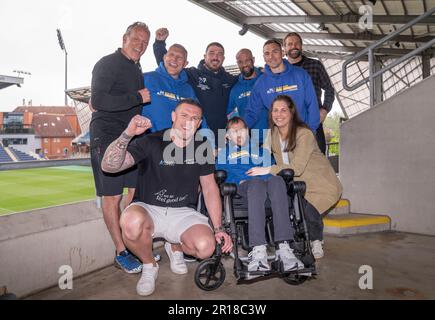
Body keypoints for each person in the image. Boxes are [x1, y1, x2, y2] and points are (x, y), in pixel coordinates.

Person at [101, 99, 233, 296]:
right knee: (131, 222)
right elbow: (109, 166)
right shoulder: (151, 140)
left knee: (206, 248)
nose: (189, 121)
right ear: (173, 117)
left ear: (199, 124)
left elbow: (209, 188)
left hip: (182, 212)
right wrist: (127, 134)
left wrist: (218, 228)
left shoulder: (202, 146)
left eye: (195, 118)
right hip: (148, 208)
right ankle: (149, 265)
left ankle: (175, 245)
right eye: (184, 116)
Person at [90, 22, 159, 274]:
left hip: (132, 138)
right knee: (113, 196)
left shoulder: (136, 67)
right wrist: (137, 98)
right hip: (107, 136)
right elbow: (97, 100)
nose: (140, 45)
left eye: (145, 42)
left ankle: (131, 245)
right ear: (124, 38)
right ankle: (121, 251)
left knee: (133, 192)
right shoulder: (107, 63)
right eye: (136, 39)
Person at [216, 117, 303, 273]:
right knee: (256, 184)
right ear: (227, 136)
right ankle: (258, 249)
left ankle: (283, 247)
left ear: (248, 131)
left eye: (242, 130)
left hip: (266, 186)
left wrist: (264, 177)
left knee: (277, 181)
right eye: (234, 131)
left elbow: (270, 171)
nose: (239, 134)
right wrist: (243, 180)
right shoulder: (223, 154)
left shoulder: (261, 151)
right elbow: (224, 176)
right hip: (242, 188)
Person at [259, 95, 342, 259]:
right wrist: (233, 142)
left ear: (291, 112)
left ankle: (316, 240)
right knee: (289, 201)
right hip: (296, 182)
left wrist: (268, 169)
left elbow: (296, 168)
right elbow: (258, 152)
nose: (279, 114)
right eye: (275, 110)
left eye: (283, 110)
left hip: (320, 184)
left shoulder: (304, 134)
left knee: (307, 208)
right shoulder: (272, 134)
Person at [153, 28, 238, 146]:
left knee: (218, 164)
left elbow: (248, 77)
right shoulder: (192, 74)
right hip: (196, 134)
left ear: (223, 58)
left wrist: (259, 71)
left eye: (219, 54)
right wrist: (159, 44)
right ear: (205, 56)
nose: (215, 57)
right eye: (212, 53)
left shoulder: (230, 79)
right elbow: (171, 65)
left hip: (221, 135)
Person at [243, 40, 320, 134]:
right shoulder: (260, 84)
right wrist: (236, 129)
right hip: (278, 137)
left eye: (275, 52)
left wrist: (311, 131)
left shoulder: (300, 74)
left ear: (282, 53)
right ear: (264, 57)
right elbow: (252, 113)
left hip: (302, 133)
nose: (271, 56)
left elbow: (312, 105)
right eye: (267, 53)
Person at [141, 43, 210, 136]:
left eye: (180, 57)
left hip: (179, 145)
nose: (174, 59)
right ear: (165, 57)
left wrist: (210, 142)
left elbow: (199, 116)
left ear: (185, 64)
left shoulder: (188, 89)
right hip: (148, 144)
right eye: (171, 54)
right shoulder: (146, 79)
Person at [284, 32, 335, 154]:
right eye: (289, 44)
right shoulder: (281, 70)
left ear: (301, 46)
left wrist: (324, 110)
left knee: (318, 162)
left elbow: (329, 89)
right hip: (287, 125)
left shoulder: (315, 65)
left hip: (312, 123)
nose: (293, 46)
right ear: (284, 48)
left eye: (297, 43)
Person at [226, 49, 268, 143]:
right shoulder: (235, 89)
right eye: (240, 62)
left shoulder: (266, 79)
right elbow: (229, 113)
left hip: (272, 138)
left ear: (253, 59)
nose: (244, 64)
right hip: (250, 141)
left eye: (247, 60)